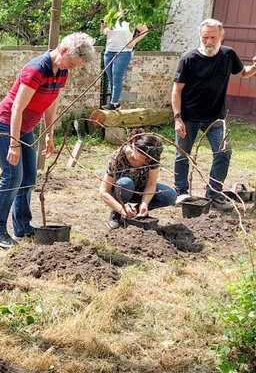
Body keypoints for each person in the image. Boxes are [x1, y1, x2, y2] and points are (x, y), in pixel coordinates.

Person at [0, 33, 96, 248]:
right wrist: (14, 144)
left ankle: (23, 227)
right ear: (63, 51)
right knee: (12, 177)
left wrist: (49, 134)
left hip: (25, 128)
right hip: (6, 124)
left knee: (28, 178)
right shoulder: (36, 69)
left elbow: (51, 103)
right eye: (72, 63)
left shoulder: (61, 71)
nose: (71, 68)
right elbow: (17, 108)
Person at [172, 19, 256, 210]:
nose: (208, 41)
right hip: (189, 117)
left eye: (212, 37)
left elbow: (243, 73)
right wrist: (178, 118)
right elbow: (176, 90)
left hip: (216, 118)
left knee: (224, 152)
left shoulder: (228, 55)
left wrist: (255, 67)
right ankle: (181, 192)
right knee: (182, 154)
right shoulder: (189, 59)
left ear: (221, 36)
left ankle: (214, 194)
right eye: (205, 37)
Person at [99, 129, 177, 228]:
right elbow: (103, 191)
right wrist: (121, 208)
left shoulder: (152, 156)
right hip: (122, 191)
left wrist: (144, 204)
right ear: (133, 147)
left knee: (170, 195)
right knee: (126, 183)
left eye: (148, 160)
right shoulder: (119, 156)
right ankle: (117, 214)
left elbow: (151, 184)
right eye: (143, 158)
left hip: (141, 189)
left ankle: (136, 212)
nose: (146, 162)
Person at [100, 10, 148, 110]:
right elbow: (105, 32)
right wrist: (102, 27)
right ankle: (114, 103)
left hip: (123, 51)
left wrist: (134, 41)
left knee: (116, 78)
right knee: (111, 78)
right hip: (109, 51)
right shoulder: (111, 17)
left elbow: (145, 30)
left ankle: (114, 103)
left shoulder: (132, 18)